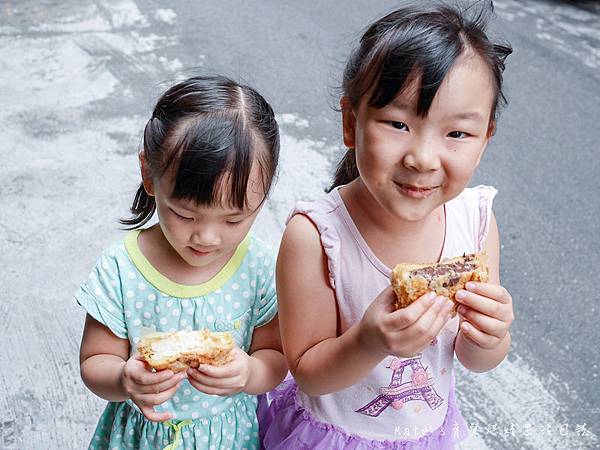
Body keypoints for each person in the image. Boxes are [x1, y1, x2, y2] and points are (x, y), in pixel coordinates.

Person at [262, 3, 515, 449]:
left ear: (486, 139)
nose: (422, 157)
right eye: (398, 123)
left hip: (427, 435)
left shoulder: (474, 221)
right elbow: (307, 371)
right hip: (331, 436)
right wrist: (369, 341)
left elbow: (474, 358)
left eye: (457, 134)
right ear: (350, 122)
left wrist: (491, 336)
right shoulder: (316, 237)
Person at [76, 75, 287, 450]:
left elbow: (275, 357)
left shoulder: (258, 267)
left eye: (234, 220)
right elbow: (95, 361)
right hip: (142, 436)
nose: (206, 237)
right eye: (185, 215)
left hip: (230, 436)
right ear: (149, 175)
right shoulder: (122, 269)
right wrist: (124, 379)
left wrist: (249, 372)